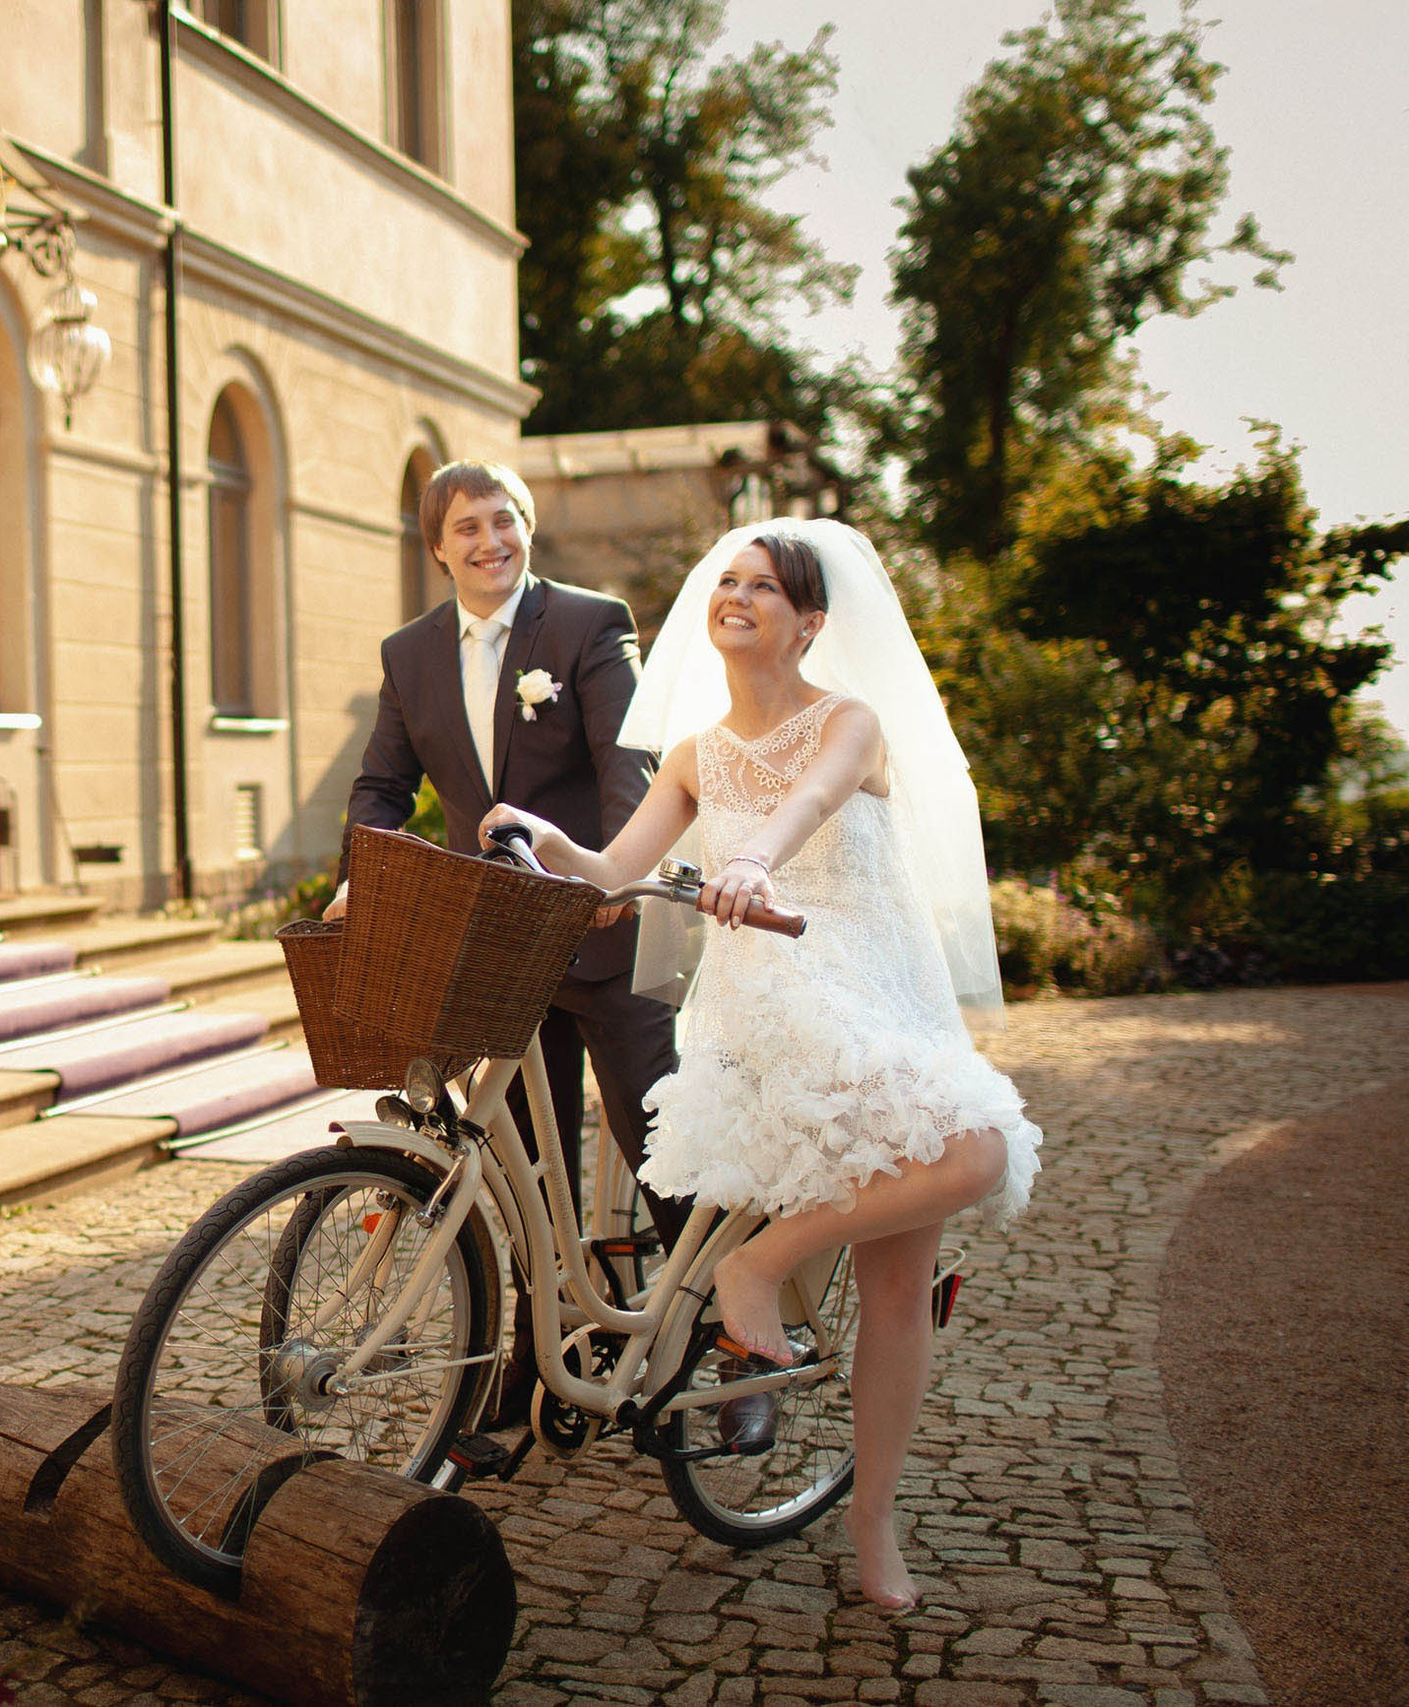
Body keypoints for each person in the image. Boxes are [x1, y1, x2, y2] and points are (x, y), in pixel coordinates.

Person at [480, 519, 1042, 1609]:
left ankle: (871, 1525)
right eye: (727, 581)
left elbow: (811, 800)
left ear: (809, 623)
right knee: (965, 1158)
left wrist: (746, 858)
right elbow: (611, 877)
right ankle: (754, 1273)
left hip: (886, 993)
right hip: (773, 1000)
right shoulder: (691, 755)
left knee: (905, 1270)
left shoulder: (851, 722)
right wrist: (545, 838)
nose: (736, 596)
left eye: (763, 587)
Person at [333, 458, 687, 1424]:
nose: (490, 542)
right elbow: (383, 785)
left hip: (596, 925)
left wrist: (610, 871)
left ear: (527, 526)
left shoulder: (584, 621)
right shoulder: (409, 653)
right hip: (498, 942)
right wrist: (358, 873)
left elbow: (632, 758)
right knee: (528, 1169)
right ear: (437, 547)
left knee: (656, 1134)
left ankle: (715, 1334)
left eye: (505, 521)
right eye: (467, 528)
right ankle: (542, 1354)